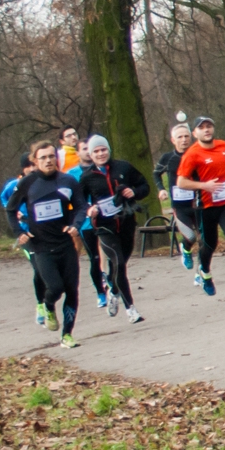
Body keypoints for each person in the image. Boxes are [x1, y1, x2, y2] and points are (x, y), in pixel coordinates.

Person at [7, 141, 84, 347]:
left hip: (65, 243)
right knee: (55, 287)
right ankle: (48, 306)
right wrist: (19, 232)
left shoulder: (67, 181)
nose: (48, 161)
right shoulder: (28, 183)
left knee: (72, 290)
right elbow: (10, 209)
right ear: (35, 161)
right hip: (40, 246)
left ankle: (67, 334)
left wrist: (76, 224)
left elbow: (81, 206)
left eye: (51, 156)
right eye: (43, 158)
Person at [176, 116, 225, 300]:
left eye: (209, 126)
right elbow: (181, 182)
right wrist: (204, 186)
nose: (206, 130)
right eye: (202, 128)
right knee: (209, 245)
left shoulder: (223, 145)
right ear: (195, 133)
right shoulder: (192, 154)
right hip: (205, 207)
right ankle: (206, 273)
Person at [77, 134, 149, 322]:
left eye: (103, 150)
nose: (101, 154)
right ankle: (131, 309)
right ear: (91, 155)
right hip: (104, 227)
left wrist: (134, 192)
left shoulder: (123, 167)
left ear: (109, 150)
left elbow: (144, 186)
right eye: (96, 151)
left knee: (120, 264)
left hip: (126, 222)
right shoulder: (87, 177)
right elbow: (78, 202)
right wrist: (89, 209)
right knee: (118, 262)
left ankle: (112, 287)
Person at [1, 155, 48, 327]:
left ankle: (48, 299)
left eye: (34, 165)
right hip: (26, 232)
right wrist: (15, 213)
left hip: (43, 230)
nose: (33, 168)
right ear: (23, 168)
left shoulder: (43, 181)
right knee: (38, 268)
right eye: (29, 166)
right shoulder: (15, 185)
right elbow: (5, 200)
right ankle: (40, 304)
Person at [66, 138, 109, 308]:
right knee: (95, 258)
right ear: (78, 153)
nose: (87, 151)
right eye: (83, 149)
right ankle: (100, 292)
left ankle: (110, 282)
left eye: (88, 148)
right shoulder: (71, 175)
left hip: (105, 218)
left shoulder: (103, 169)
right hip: (85, 222)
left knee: (108, 251)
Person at [154, 122, 200, 275]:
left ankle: (202, 272)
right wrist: (161, 190)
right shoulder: (168, 158)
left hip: (199, 203)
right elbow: (156, 173)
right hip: (180, 206)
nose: (184, 139)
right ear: (173, 140)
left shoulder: (197, 154)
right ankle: (185, 249)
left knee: (204, 240)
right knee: (191, 236)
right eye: (180, 137)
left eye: (187, 136)